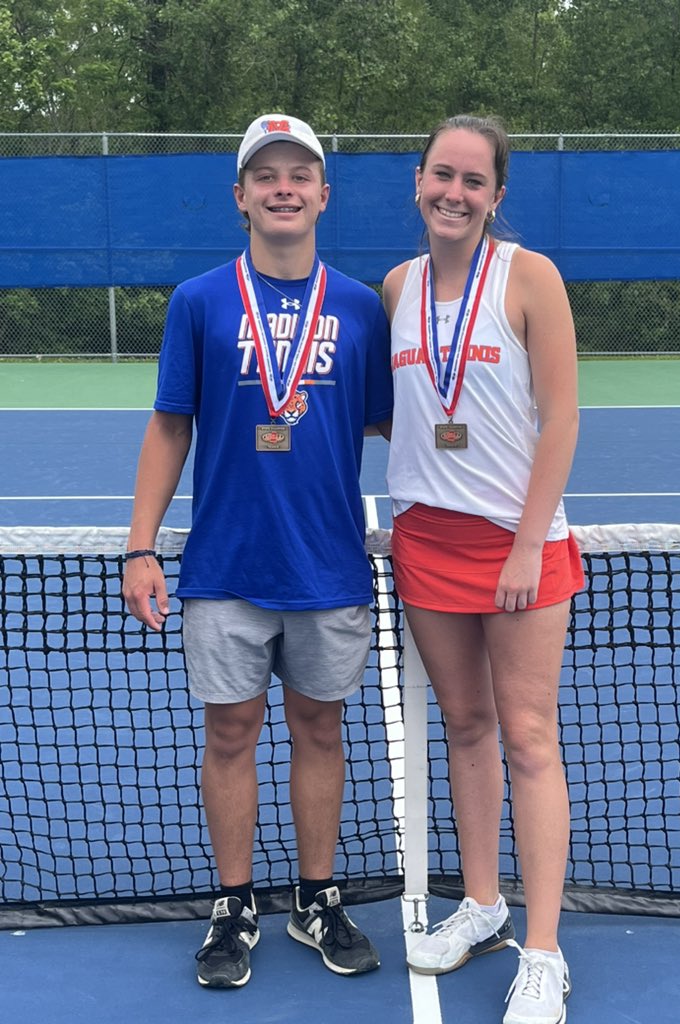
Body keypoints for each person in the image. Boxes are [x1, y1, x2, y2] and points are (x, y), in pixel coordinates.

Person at [122, 113, 392, 989]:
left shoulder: (357, 307)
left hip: (327, 569)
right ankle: (234, 906)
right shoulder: (200, 301)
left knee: (321, 729)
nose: (283, 187)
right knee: (230, 734)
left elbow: (404, 422)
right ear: (241, 197)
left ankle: (317, 899)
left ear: (323, 194)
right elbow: (169, 427)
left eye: (298, 174)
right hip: (227, 570)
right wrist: (139, 548)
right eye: (265, 175)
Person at [383, 114, 584, 1024]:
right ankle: (482, 904)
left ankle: (542, 952)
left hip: (519, 548)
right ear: (418, 183)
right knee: (466, 727)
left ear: (496, 195)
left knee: (529, 735)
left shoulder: (531, 277)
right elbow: (408, 413)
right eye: (441, 176)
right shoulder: (396, 287)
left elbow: (562, 417)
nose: (454, 193)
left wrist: (528, 542)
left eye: (473, 180)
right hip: (427, 541)